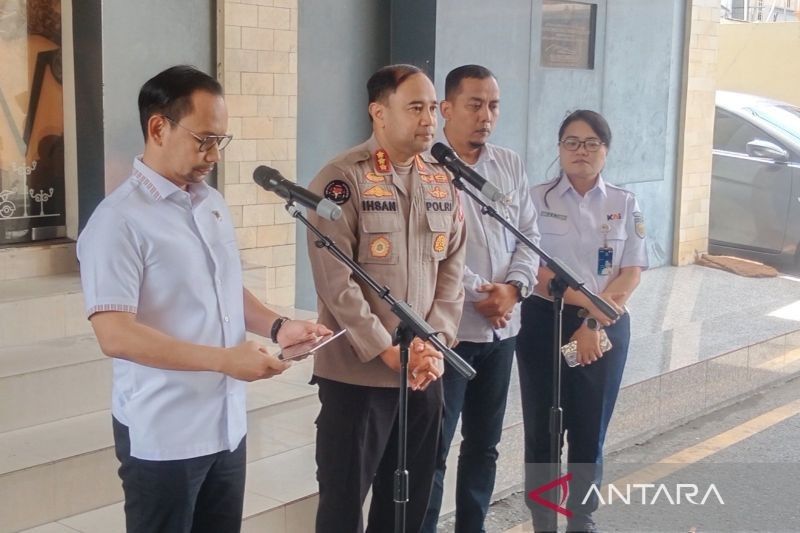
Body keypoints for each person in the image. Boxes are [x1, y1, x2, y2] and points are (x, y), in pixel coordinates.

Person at [77, 65, 330, 533]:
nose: (214, 153)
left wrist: (278, 326)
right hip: (164, 434)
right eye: (205, 139)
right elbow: (114, 334)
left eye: (221, 141)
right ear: (158, 128)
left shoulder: (209, 202)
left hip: (225, 425)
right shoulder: (118, 221)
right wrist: (223, 360)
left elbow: (223, 286)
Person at [306, 64, 467, 533]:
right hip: (360, 377)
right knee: (343, 501)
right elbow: (335, 281)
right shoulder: (340, 180)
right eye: (415, 107)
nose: (429, 119)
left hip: (422, 374)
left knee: (410, 502)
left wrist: (434, 342)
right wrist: (386, 349)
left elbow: (452, 268)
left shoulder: (441, 178)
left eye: (433, 108)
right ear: (379, 112)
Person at [516, 110, 648, 532]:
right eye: (571, 142)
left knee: (589, 431)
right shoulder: (537, 200)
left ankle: (581, 519)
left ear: (605, 151)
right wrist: (589, 308)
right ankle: (543, 521)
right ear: (558, 149)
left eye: (591, 143)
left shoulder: (624, 203)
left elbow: (632, 270)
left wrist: (593, 321)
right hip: (545, 322)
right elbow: (533, 270)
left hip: (604, 328)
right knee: (544, 429)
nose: (581, 151)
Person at [422, 65, 540, 533]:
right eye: (474, 104)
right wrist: (481, 293)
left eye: (493, 105)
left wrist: (514, 288)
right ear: (446, 109)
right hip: (451, 334)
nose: (485, 115)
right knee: (433, 448)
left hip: (502, 329)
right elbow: (431, 248)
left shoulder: (508, 164)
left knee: (484, 445)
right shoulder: (427, 168)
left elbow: (528, 232)